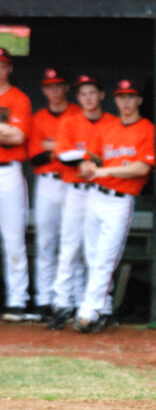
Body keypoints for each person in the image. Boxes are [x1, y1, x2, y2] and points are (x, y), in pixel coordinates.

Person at [73, 79, 154, 332]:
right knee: (92, 257)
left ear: (139, 100)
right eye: (121, 97)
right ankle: (103, 308)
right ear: (116, 100)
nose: (126, 102)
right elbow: (91, 159)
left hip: (120, 201)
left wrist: (103, 170)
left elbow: (141, 168)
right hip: (96, 196)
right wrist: (87, 167)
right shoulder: (107, 127)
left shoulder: (147, 129)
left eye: (131, 97)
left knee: (106, 259)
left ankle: (87, 311)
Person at [48, 74, 118, 330]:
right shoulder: (69, 121)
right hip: (76, 190)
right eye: (83, 94)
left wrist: (88, 158)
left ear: (101, 95)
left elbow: (113, 157)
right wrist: (90, 159)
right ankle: (62, 303)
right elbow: (63, 155)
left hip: (101, 190)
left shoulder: (113, 123)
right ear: (78, 98)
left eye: (92, 93)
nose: (88, 98)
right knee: (69, 247)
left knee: (98, 252)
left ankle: (102, 305)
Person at [27, 68, 81, 321]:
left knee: (73, 243)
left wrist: (54, 147)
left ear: (66, 88)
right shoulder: (38, 118)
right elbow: (36, 157)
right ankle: (45, 299)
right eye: (50, 86)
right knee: (46, 243)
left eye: (59, 85)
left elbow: (82, 153)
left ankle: (71, 299)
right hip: (47, 183)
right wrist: (64, 149)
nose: (54, 91)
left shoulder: (78, 114)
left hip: (72, 184)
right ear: (44, 90)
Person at [0, 48, 32, 322]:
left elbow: (17, 136)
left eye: (2, 65)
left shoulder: (18, 98)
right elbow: (6, 133)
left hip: (8, 173)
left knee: (13, 238)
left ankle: (17, 300)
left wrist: (8, 133)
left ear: (9, 68)